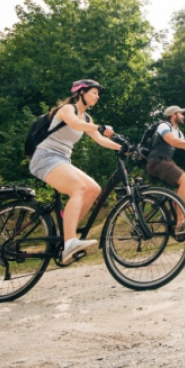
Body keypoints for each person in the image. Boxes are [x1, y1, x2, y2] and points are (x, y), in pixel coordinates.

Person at [29, 79, 123, 265]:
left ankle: (66, 235)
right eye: (94, 92)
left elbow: (100, 140)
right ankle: (70, 241)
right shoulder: (68, 109)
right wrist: (100, 127)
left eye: (98, 94)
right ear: (81, 93)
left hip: (63, 160)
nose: (97, 96)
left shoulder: (87, 118)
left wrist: (123, 148)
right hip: (45, 157)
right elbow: (75, 124)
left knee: (93, 189)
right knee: (79, 188)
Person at [145, 105, 185, 234]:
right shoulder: (164, 126)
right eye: (181, 113)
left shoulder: (178, 131)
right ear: (173, 115)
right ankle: (180, 222)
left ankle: (170, 214)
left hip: (166, 161)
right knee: (184, 182)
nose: (183, 116)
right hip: (156, 161)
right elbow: (174, 142)